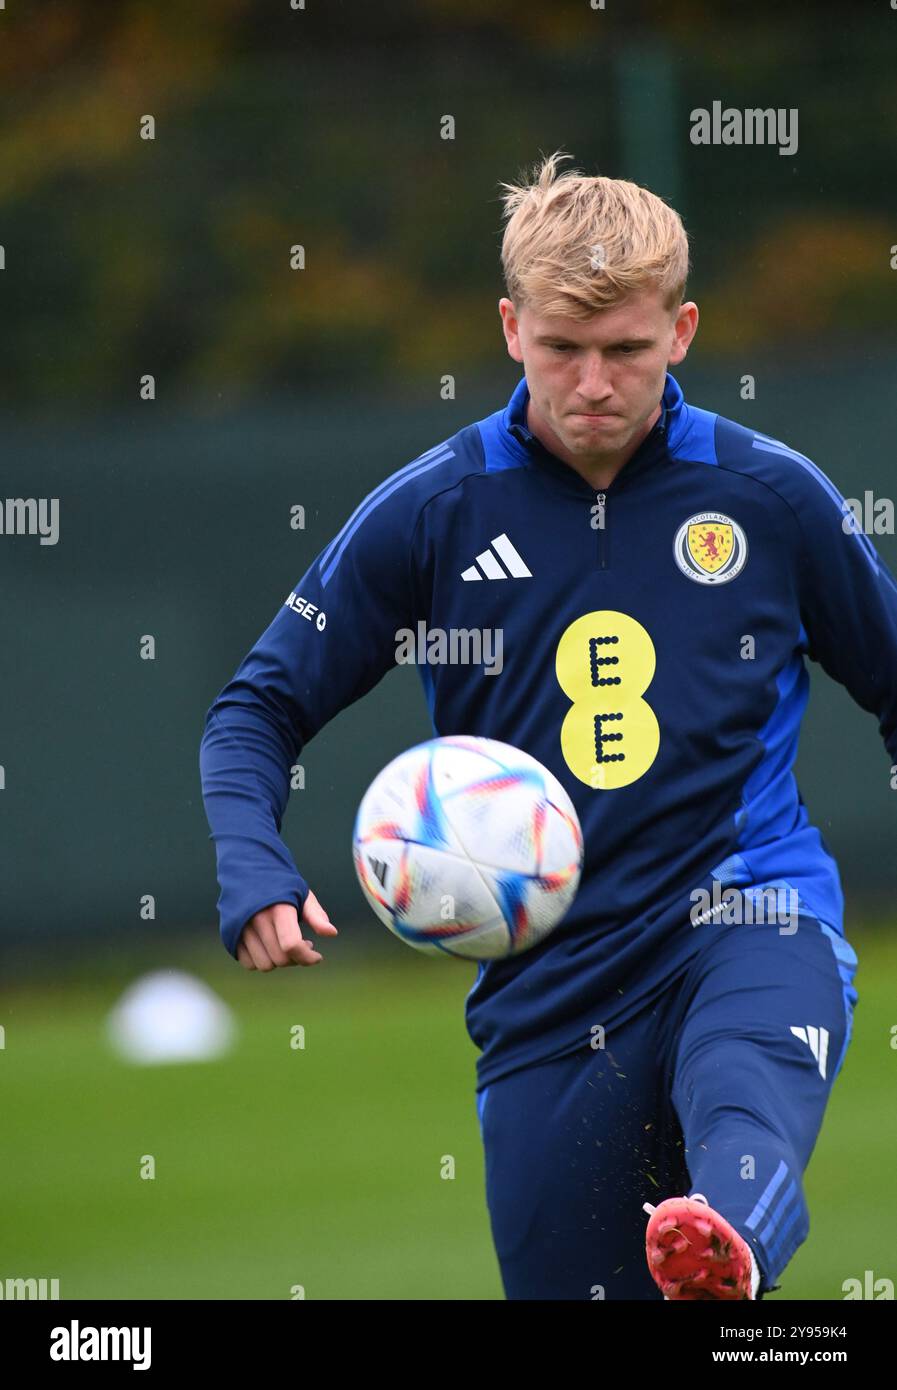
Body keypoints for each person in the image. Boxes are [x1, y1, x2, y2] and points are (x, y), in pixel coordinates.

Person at [200, 151, 896, 1300]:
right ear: (509, 326)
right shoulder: (433, 509)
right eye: (561, 349)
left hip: (748, 906)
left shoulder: (772, 498)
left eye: (625, 350)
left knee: (743, 1073)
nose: (593, 383)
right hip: (547, 993)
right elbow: (255, 709)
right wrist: (252, 863)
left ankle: (728, 1235)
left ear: (682, 330)